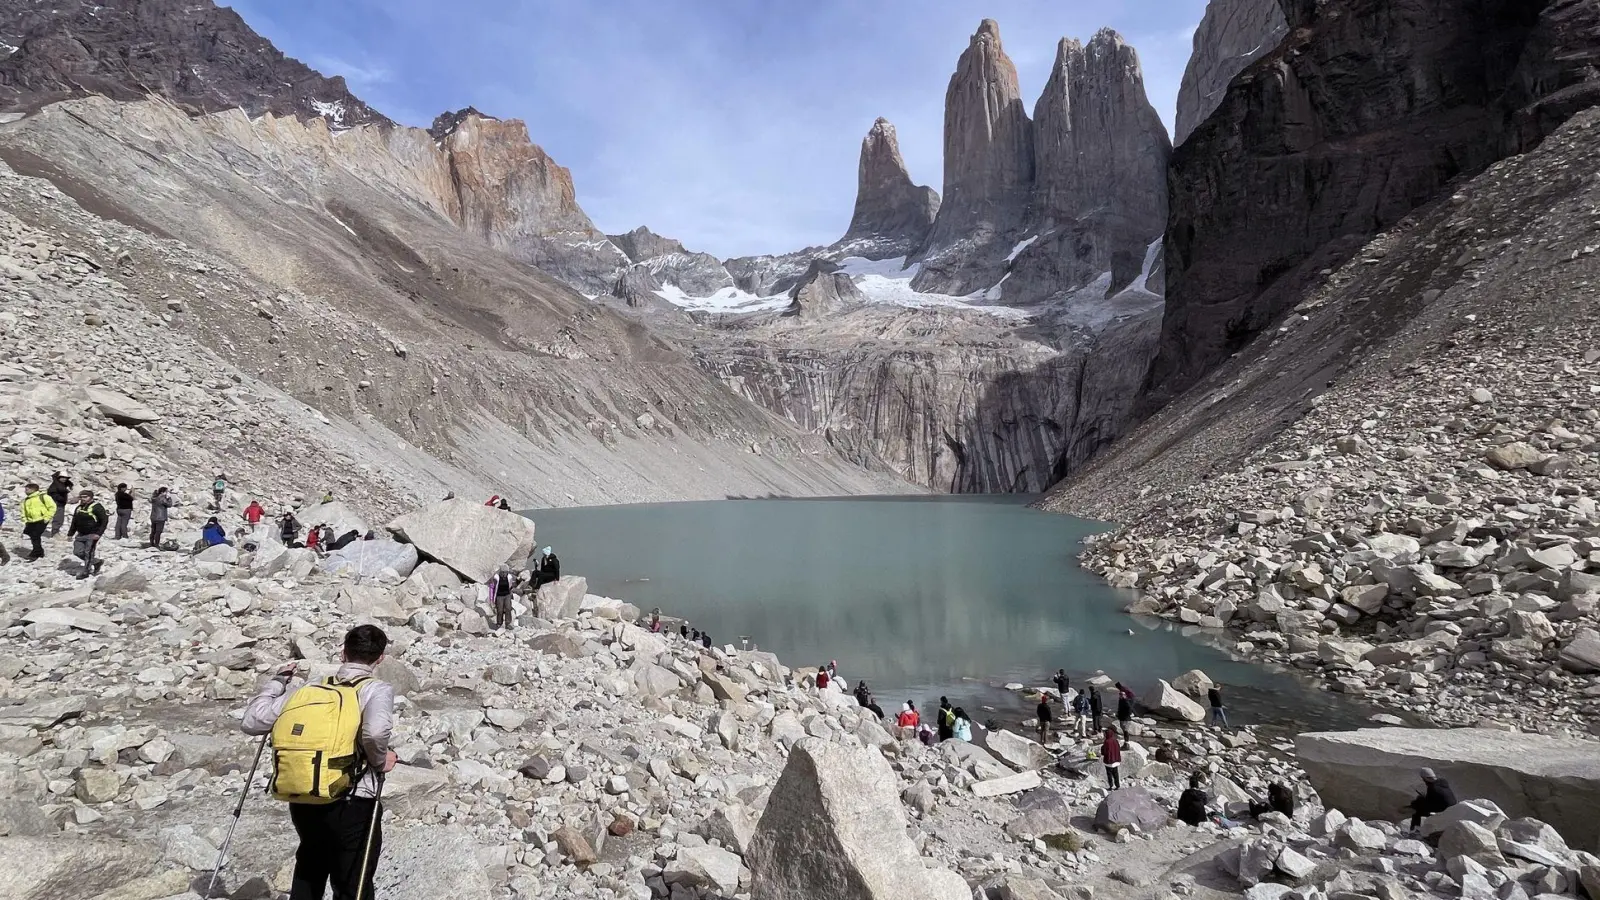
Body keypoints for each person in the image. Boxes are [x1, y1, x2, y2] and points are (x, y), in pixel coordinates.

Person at [242, 625, 396, 900]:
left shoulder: (311, 687)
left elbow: (254, 721)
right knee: (353, 879)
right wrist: (380, 760)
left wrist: (277, 682)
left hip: (303, 791)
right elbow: (375, 732)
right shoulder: (376, 689)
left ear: (343, 652)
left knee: (310, 867)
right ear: (380, 658)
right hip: (352, 797)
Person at [67, 489, 109, 578]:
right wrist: (70, 533)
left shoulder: (97, 507)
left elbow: (104, 521)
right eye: (81, 497)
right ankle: (96, 562)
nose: (83, 499)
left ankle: (86, 571)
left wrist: (98, 534)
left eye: (85, 497)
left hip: (92, 534)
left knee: (88, 552)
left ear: (91, 497)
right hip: (80, 534)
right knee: (77, 552)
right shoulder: (79, 508)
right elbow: (74, 521)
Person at [1406, 768, 1457, 833]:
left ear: (1425, 779)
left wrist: (1415, 804)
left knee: (1417, 814)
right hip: (1453, 808)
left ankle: (1414, 832)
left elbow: (1428, 805)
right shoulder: (1443, 781)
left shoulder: (1432, 788)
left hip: (1443, 811)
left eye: (1423, 779)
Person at [21, 482, 54, 561]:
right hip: (30, 521)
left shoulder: (44, 497)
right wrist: (25, 520)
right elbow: (23, 511)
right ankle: (40, 552)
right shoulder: (26, 500)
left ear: (33, 489)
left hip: (41, 520)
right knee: (31, 535)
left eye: (27, 489)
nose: (25, 491)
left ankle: (35, 553)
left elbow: (52, 507)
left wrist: (47, 518)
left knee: (35, 535)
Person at [489, 564, 515, 631]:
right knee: (500, 610)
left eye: (505, 572)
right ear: (500, 572)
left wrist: (511, 594)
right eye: (502, 572)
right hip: (499, 596)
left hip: (507, 595)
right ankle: (499, 623)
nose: (504, 574)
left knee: (508, 608)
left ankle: (508, 623)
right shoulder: (496, 578)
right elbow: (492, 587)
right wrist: (491, 599)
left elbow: (511, 586)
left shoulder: (509, 577)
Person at [46, 472, 72, 536]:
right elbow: (51, 493)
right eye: (62, 477)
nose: (64, 479)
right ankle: (55, 533)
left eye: (65, 478)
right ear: (59, 478)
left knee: (59, 518)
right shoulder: (55, 485)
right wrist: (60, 498)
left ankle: (55, 532)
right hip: (56, 503)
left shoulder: (62, 484)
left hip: (60, 503)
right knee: (58, 518)